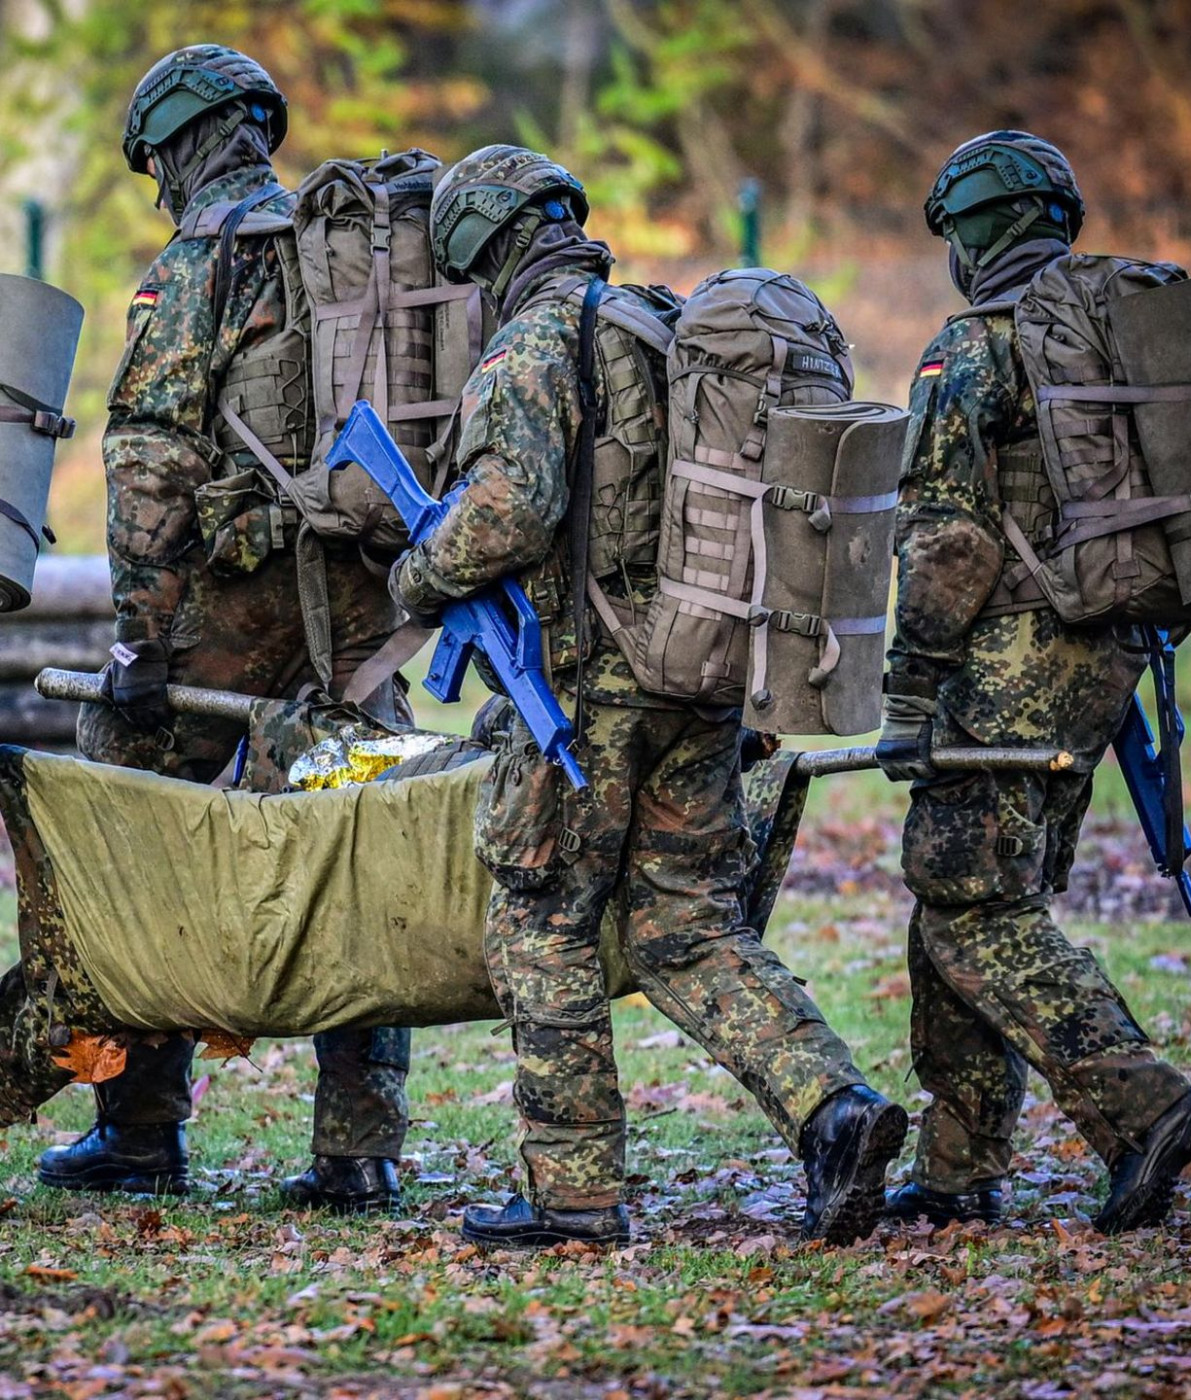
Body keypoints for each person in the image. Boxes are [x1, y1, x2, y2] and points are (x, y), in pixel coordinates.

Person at [388, 144, 908, 1249]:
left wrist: (418, 573)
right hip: (700, 672)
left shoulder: (533, 345)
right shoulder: (665, 329)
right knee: (686, 922)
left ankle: (573, 1194)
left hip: (583, 696)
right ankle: (833, 1108)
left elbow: (508, 512)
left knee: (541, 919)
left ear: (484, 246)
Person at [46, 45, 411, 1214]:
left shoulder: (204, 260)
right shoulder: (361, 251)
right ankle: (358, 1149)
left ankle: (138, 1127)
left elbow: (150, 464)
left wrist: (139, 645)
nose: (157, 183)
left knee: (129, 821)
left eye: (154, 161)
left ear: (179, 146)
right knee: (363, 842)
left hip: (238, 598)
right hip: (368, 607)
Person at [878, 130, 1191, 1235]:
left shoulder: (974, 346)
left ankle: (1147, 1108)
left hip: (1001, 667)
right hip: (1104, 657)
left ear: (972, 232)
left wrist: (907, 686)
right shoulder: (1114, 330)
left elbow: (947, 537)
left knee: (975, 908)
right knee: (968, 899)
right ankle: (958, 1168)